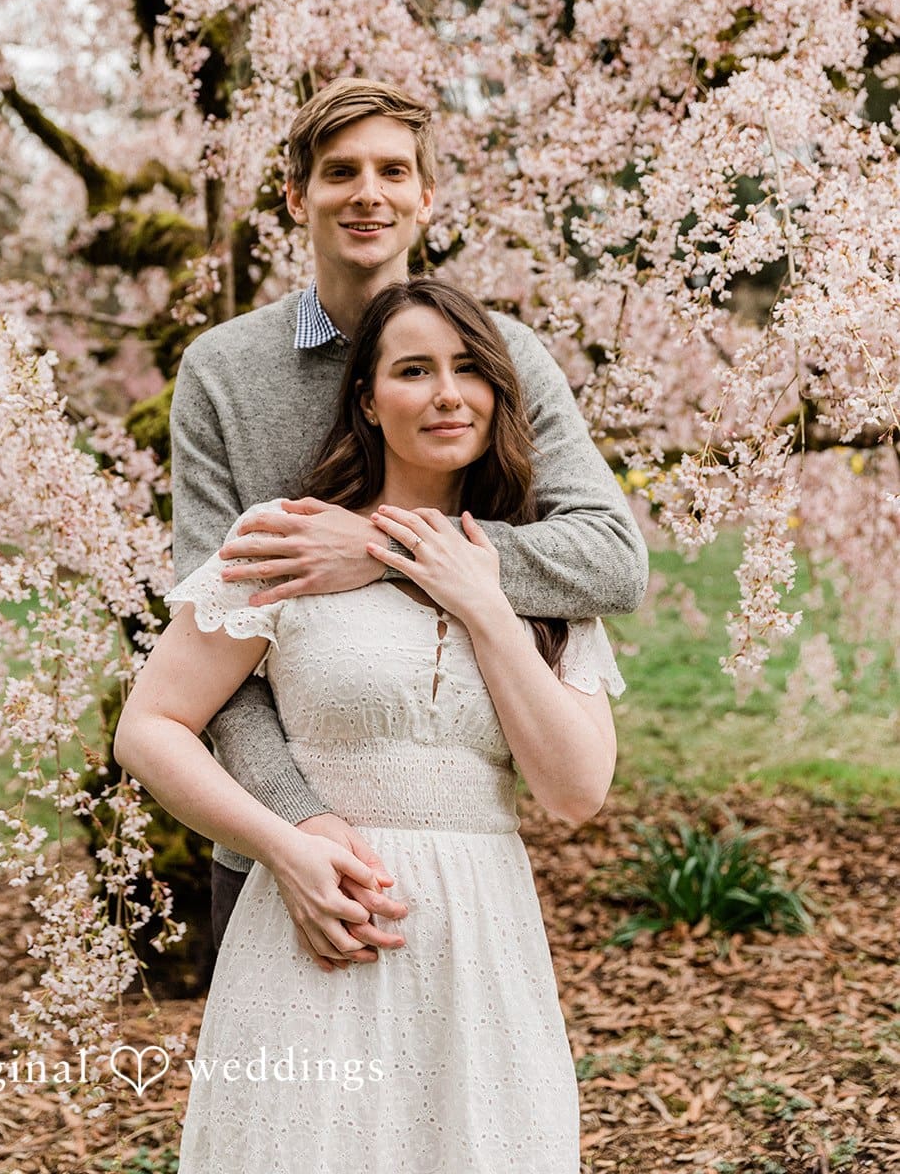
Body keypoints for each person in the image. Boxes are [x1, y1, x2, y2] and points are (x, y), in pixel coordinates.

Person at [115, 277, 628, 1170]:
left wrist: (480, 598)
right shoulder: (287, 540)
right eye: (413, 370)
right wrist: (284, 845)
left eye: (468, 370)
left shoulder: (541, 577)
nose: (444, 393)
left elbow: (575, 791)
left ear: (500, 394)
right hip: (317, 927)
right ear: (367, 398)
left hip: (481, 941)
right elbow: (150, 725)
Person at [167, 78, 647, 962]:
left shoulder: (500, 358)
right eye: (339, 171)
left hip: (458, 845)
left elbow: (612, 561)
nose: (367, 194)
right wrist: (299, 826)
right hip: (273, 846)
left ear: (425, 197)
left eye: (393, 170)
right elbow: (211, 637)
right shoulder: (221, 372)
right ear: (294, 195)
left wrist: (383, 548)